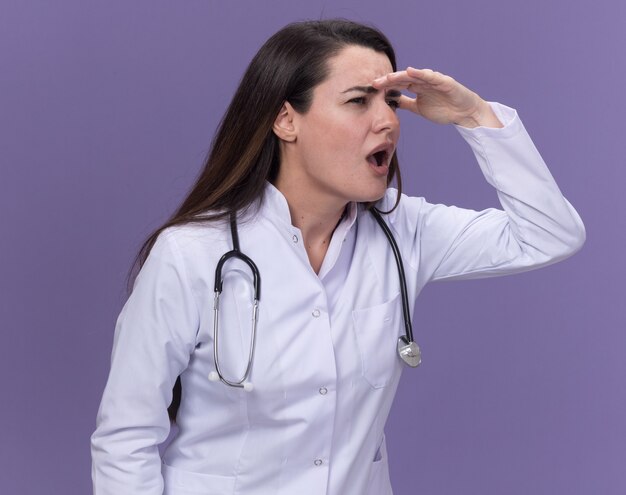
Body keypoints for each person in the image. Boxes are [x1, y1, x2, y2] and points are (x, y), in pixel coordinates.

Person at [91, 19, 585, 495]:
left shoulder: (404, 230)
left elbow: (550, 234)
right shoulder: (190, 254)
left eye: (391, 100)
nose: (388, 119)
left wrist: (474, 116)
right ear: (286, 120)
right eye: (358, 101)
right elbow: (126, 438)